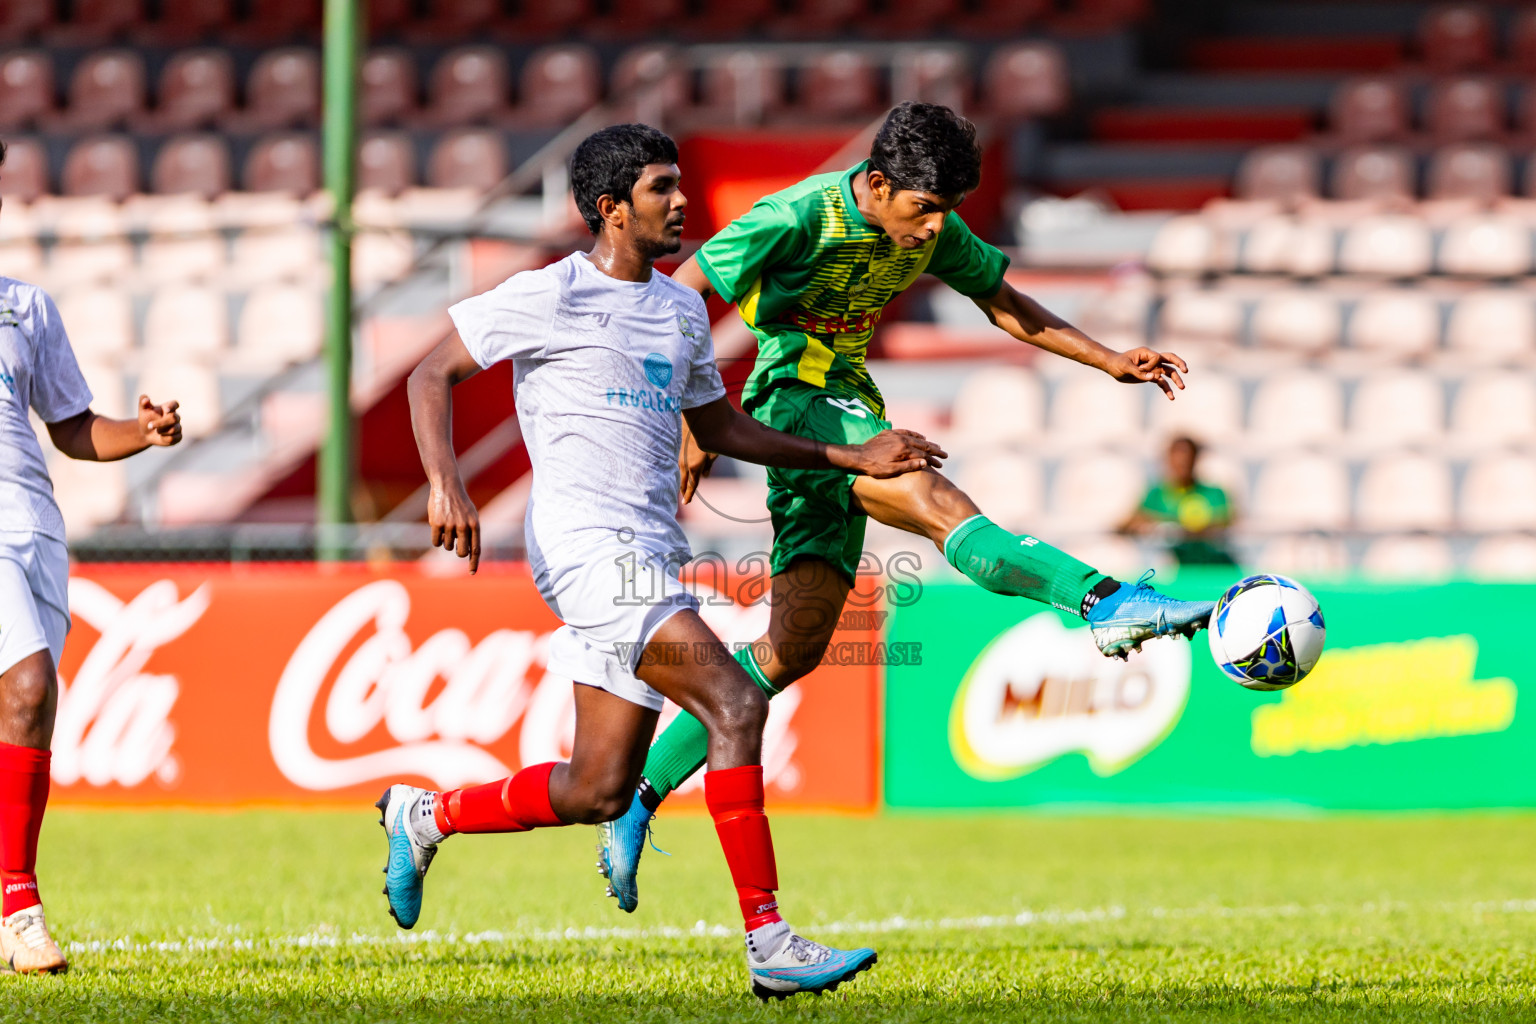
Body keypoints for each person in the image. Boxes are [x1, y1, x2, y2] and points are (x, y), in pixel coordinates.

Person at [598, 102, 1216, 913]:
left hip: (844, 403)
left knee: (791, 650)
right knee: (938, 504)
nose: (933, 231)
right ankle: (1109, 602)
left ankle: (638, 797)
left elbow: (1002, 300)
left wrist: (1108, 360)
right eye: (923, 210)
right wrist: (695, 414)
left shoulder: (929, 223)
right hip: (793, 402)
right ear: (878, 183)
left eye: (945, 213)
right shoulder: (792, 217)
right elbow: (677, 298)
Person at [377, 123, 944, 1000]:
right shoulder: (548, 293)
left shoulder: (682, 311)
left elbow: (721, 430)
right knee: (734, 699)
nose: (683, 202)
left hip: (652, 555)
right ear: (611, 209)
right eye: (662, 189)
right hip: (581, 546)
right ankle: (768, 937)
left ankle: (428, 814)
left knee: (596, 789)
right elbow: (427, 375)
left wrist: (851, 458)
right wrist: (445, 484)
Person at [0, 139, 184, 974]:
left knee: (27, 707)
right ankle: (18, 903)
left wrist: (140, 433)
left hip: (33, 529)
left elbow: (73, 430)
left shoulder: (24, 308)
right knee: (29, 686)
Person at [1119, 435, 1237, 567]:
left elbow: (1226, 522)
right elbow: (1128, 523)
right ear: (1168, 460)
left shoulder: (1214, 493)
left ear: (1195, 460)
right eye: (1177, 459)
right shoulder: (1156, 494)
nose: (1182, 464)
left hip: (1212, 567)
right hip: (1170, 570)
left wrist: (1174, 528)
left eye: (1187, 459)